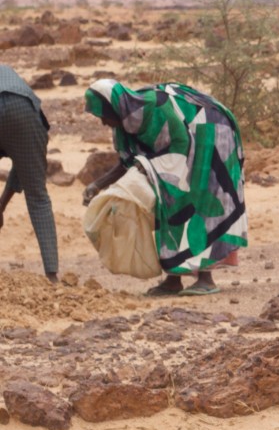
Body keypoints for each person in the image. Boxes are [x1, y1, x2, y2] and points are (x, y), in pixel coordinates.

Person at [81, 79, 248, 296]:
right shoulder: (124, 121)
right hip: (184, 149)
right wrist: (97, 185)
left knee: (200, 203)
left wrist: (147, 166)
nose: (103, 122)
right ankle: (173, 278)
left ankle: (206, 278)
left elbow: (181, 144)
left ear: (113, 107)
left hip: (209, 135)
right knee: (167, 205)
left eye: (102, 114)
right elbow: (128, 161)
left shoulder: (156, 106)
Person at [0, 63, 59, 282]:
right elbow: (26, 166)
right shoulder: (8, 73)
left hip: (22, 107)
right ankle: (52, 275)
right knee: (39, 199)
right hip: (23, 109)